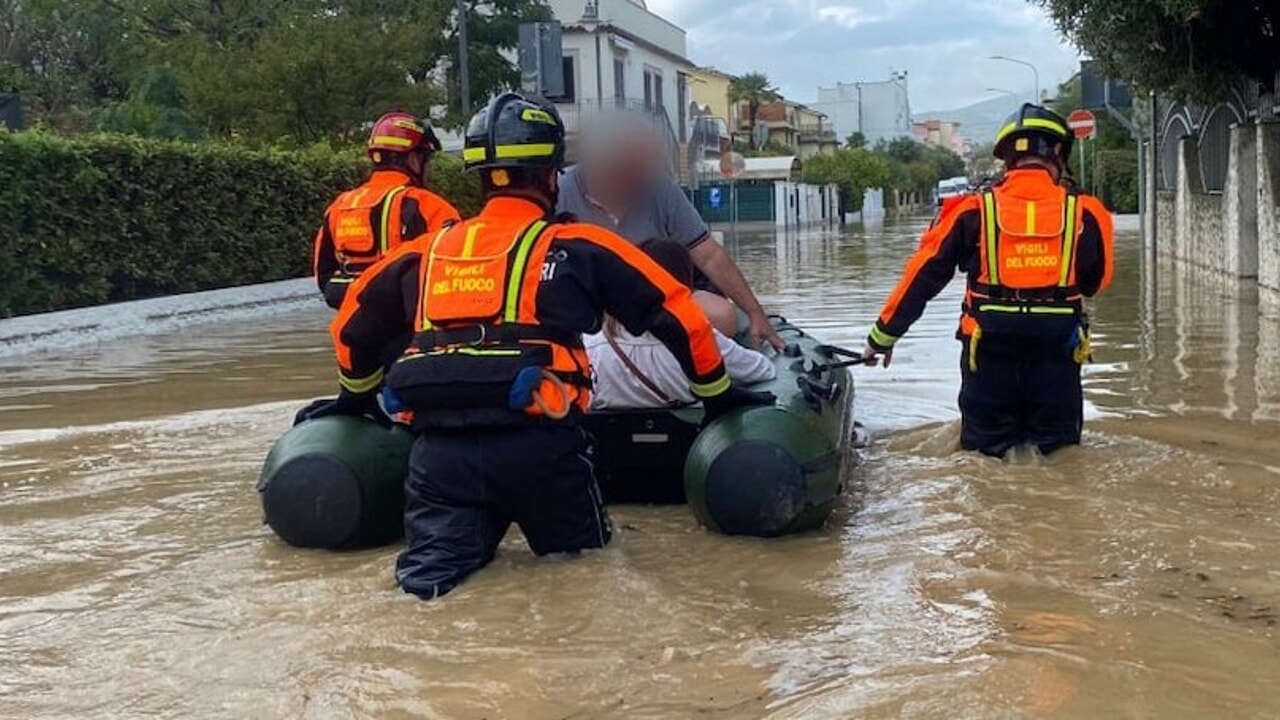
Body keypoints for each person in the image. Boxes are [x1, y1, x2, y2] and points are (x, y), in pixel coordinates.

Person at [300, 92, 775, 600]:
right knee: (584, 575)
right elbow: (681, 318)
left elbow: (349, 327)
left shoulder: (424, 253)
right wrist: (719, 395)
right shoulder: (581, 248)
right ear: (551, 176)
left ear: (479, 176)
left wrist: (354, 398)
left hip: (440, 457)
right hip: (542, 452)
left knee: (429, 588)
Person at [861, 104, 1115, 458]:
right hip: (1057, 353)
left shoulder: (969, 210)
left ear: (1006, 157)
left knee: (984, 458)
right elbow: (1095, 282)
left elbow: (923, 276)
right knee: (1060, 456)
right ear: (1059, 152)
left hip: (988, 352)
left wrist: (882, 337)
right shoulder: (1087, 212)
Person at [556, 110, 784, 350]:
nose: (641, 177)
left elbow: (709, 255)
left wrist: (754, 312)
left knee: (722, 314)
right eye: (631, 168)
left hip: (653, 302)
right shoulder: (559, 192)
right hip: (587, 305)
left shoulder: (658, 187)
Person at [586, 238, 776, 410]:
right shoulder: (700, 339)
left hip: (607, 437)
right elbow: (762, 370)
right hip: (685, 438)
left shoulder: (591, 340)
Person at [312, 112, 461, 309]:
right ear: (413, 159)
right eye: (427, 159)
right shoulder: (429, 206)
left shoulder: (340, 205)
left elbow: (323, 273)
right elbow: (456, 275)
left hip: (353, 332)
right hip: (411, 331)